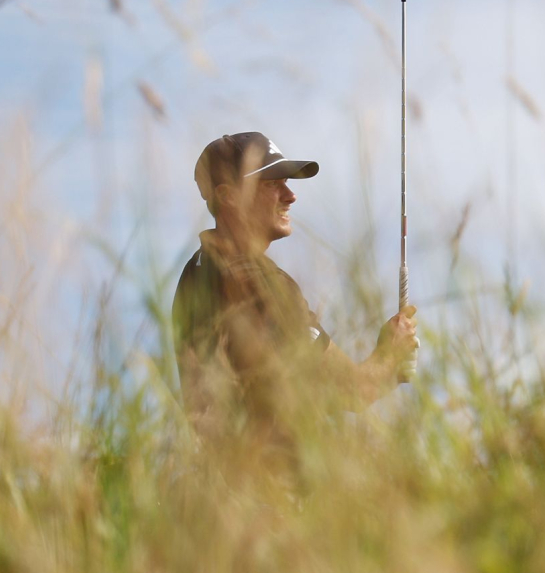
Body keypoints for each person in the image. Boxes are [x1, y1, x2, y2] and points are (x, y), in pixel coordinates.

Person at [171, 132, 418, 463]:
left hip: (222, 493)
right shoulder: (262, 283)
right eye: (272, 184)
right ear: (228, 195)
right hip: (275, 498)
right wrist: (391, 354)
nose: (290, 196)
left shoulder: (196, 271)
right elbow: (354, 390)